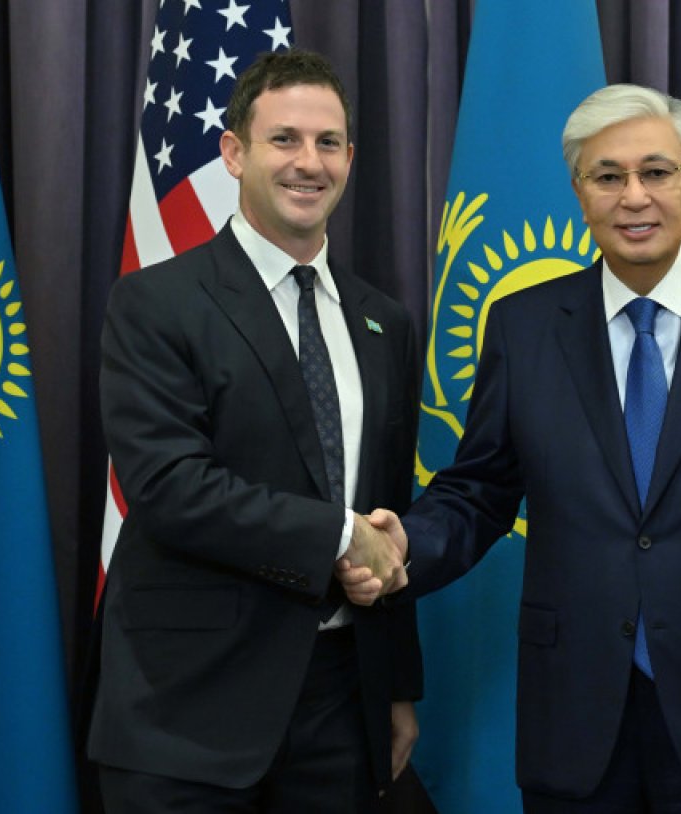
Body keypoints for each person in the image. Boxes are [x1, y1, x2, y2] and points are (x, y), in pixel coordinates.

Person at [344, 84, 681, 812]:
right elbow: (480, 490)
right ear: (580, 194)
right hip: (576, 716)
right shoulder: (524, 326)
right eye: (608, 176)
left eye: (656, 172)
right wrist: (405, 545)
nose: (634, 197)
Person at [88, 50, 420, 813]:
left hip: (342, 705)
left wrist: (397, 684)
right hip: (187, 712)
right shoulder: (155, 303)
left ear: (350, 158)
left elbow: (386, 512)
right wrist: (338, 535)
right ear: (234, 153)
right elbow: (169, 489)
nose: (309, 162)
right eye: (284, 139)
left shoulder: (384, 322)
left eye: (328, 142)